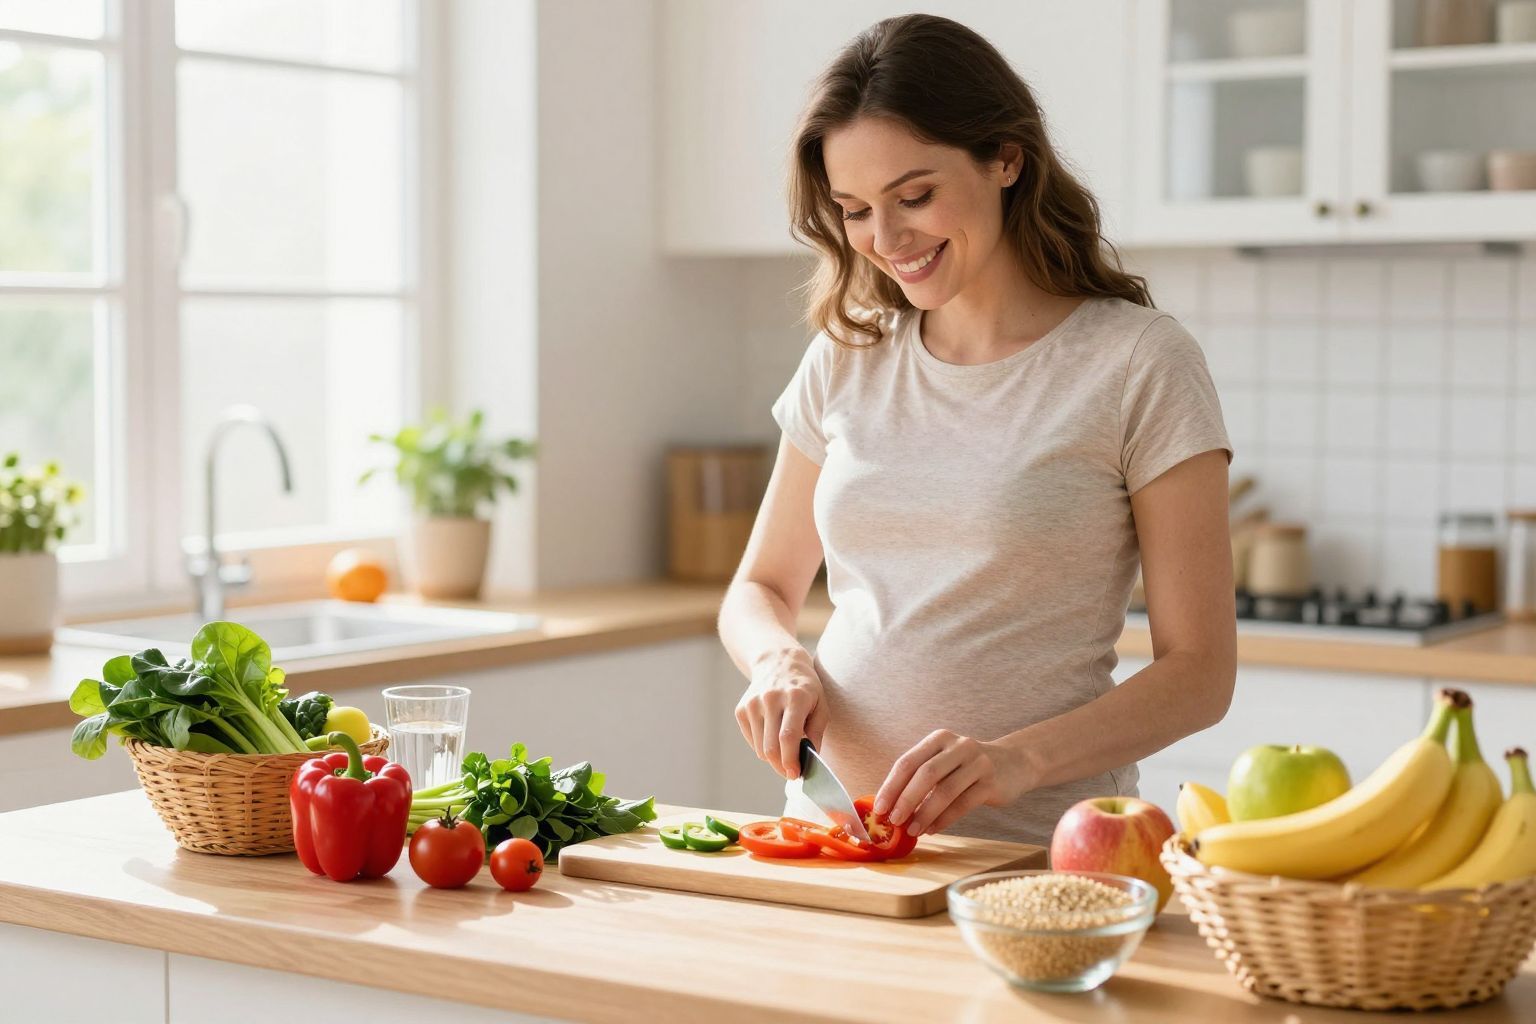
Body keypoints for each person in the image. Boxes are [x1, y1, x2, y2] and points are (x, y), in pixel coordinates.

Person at [717, 14, 1237, 848]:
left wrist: (1015, 761)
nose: (885, 241)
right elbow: (761, 590)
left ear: (1005, 158)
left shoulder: (1139, 362)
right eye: (853, 210)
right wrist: (778, 659)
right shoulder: (846, 357)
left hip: (1038, 854)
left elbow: (1200, 673)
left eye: (914, 196)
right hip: (832, 839)